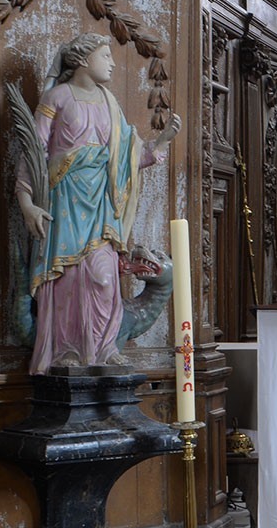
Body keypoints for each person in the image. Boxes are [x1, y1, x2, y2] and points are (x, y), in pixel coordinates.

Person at [15, 32, 180, 372]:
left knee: (104, 278)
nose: (113, 63)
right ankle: (66, 350)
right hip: (65, 201)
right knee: (67, 279)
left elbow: (125, 155)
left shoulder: (110, 102)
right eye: (105, 56)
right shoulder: (57, 97)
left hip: (102, 204)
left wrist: (160, 143)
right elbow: (33, 152)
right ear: (82, 59)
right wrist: (27, 203)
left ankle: (104, 348)